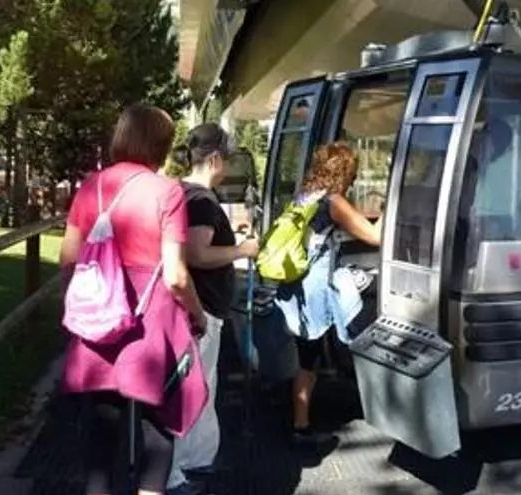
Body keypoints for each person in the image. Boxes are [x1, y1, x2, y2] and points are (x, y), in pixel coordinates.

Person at [58, 104, 209, 495]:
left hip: (98, 319)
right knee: (158, 431)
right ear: (161, 144)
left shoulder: (91, 186)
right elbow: (176, 275)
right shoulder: (167, 191)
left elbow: (68, 258)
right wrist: (198, 314)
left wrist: (77, 309)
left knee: (101, 432)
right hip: (150, 323)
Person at [167, 123, 260, 495]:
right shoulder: (203, 199)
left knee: (196, 388)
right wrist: (241, 250)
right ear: (216, 159)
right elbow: (196, 253)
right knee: (194, 391)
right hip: (200, 310)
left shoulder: (182, 192)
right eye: (229, 159)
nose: (229, 167)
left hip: (194, 308)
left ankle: (194, 462)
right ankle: (178, 473)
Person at [273, 141, 383, 444]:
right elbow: (375, 236)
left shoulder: (306, 196)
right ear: (344, 173)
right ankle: (305, 425)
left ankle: (301, 423)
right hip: (316, 289)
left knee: (308, 358)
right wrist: (394, 203)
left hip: (296, 285)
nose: (355, 180)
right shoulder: (334, 202)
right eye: (353, 173)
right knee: (362, 329)